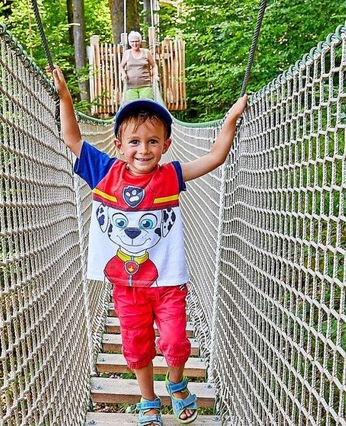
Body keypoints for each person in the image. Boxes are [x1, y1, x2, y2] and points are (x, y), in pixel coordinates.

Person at [51, 65, 247, 426]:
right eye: (135, 142)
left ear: (166, 145)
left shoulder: (170, 176)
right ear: (119, 145)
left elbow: (215, 157)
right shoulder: (104, 172)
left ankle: (175, 382)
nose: (144, 150)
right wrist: (65, 95)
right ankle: (148, 399)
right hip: (126, 286)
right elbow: (72, 137)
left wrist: (232, 117)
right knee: (137, 346)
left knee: (175, 342)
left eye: (153, 141)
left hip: (168, 282)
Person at [119, 31, 159, 102]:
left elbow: (154, 65)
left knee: (145, 107)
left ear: (140, 41)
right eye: (132, 42)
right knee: (132, 108)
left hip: (145, 86)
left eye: (137, 41)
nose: (134, 44)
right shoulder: (127, 53)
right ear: (129, 42)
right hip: (131, 86)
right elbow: (121, 66)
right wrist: (123, 74)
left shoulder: (146, 52)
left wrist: (155, 75)